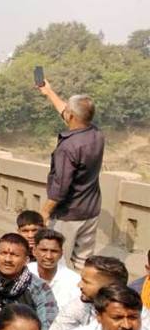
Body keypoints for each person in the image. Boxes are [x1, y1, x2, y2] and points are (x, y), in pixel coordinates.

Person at [38, 80, 105, 269]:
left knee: (58, 261)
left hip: (69, 214)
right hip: (90, 210)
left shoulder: (68, 147)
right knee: (82, 262)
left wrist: (44, 212)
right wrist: (49, 92)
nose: (64, 111)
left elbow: (60, 186)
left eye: (67, 109)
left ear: (72, 116)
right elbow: (66, 112)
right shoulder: (97, 134)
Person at [41, 255, 131, 330]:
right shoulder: (80, 304)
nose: (79, 285)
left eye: (86, 282)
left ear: (110, 288)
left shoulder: (135, 319)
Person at [30, 227, 82, 309]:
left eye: (54, 251)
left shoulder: (74, 280)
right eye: (44, 250)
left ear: (61, 253)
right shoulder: (24, 272)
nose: (48, 256)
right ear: (34, 251)